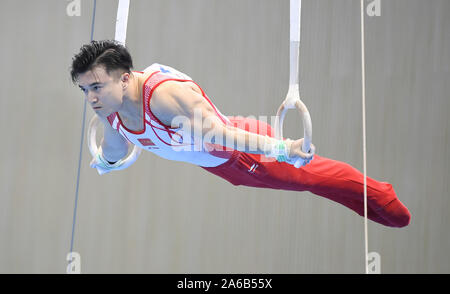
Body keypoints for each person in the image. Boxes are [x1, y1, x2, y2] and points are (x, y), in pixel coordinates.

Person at [70, 40, 411, 228]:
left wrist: (281, 147)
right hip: (222, 165)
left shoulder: (164, 98)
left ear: (126, 78)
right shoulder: (111, 111)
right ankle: (371, 202)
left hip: (242, 151)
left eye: (97, 87)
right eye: (85, 90)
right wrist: (105, 162)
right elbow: (115, 148)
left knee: (314, 178)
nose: (92, 98)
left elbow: (220, 135)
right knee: (310, 183)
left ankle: (382, 196)